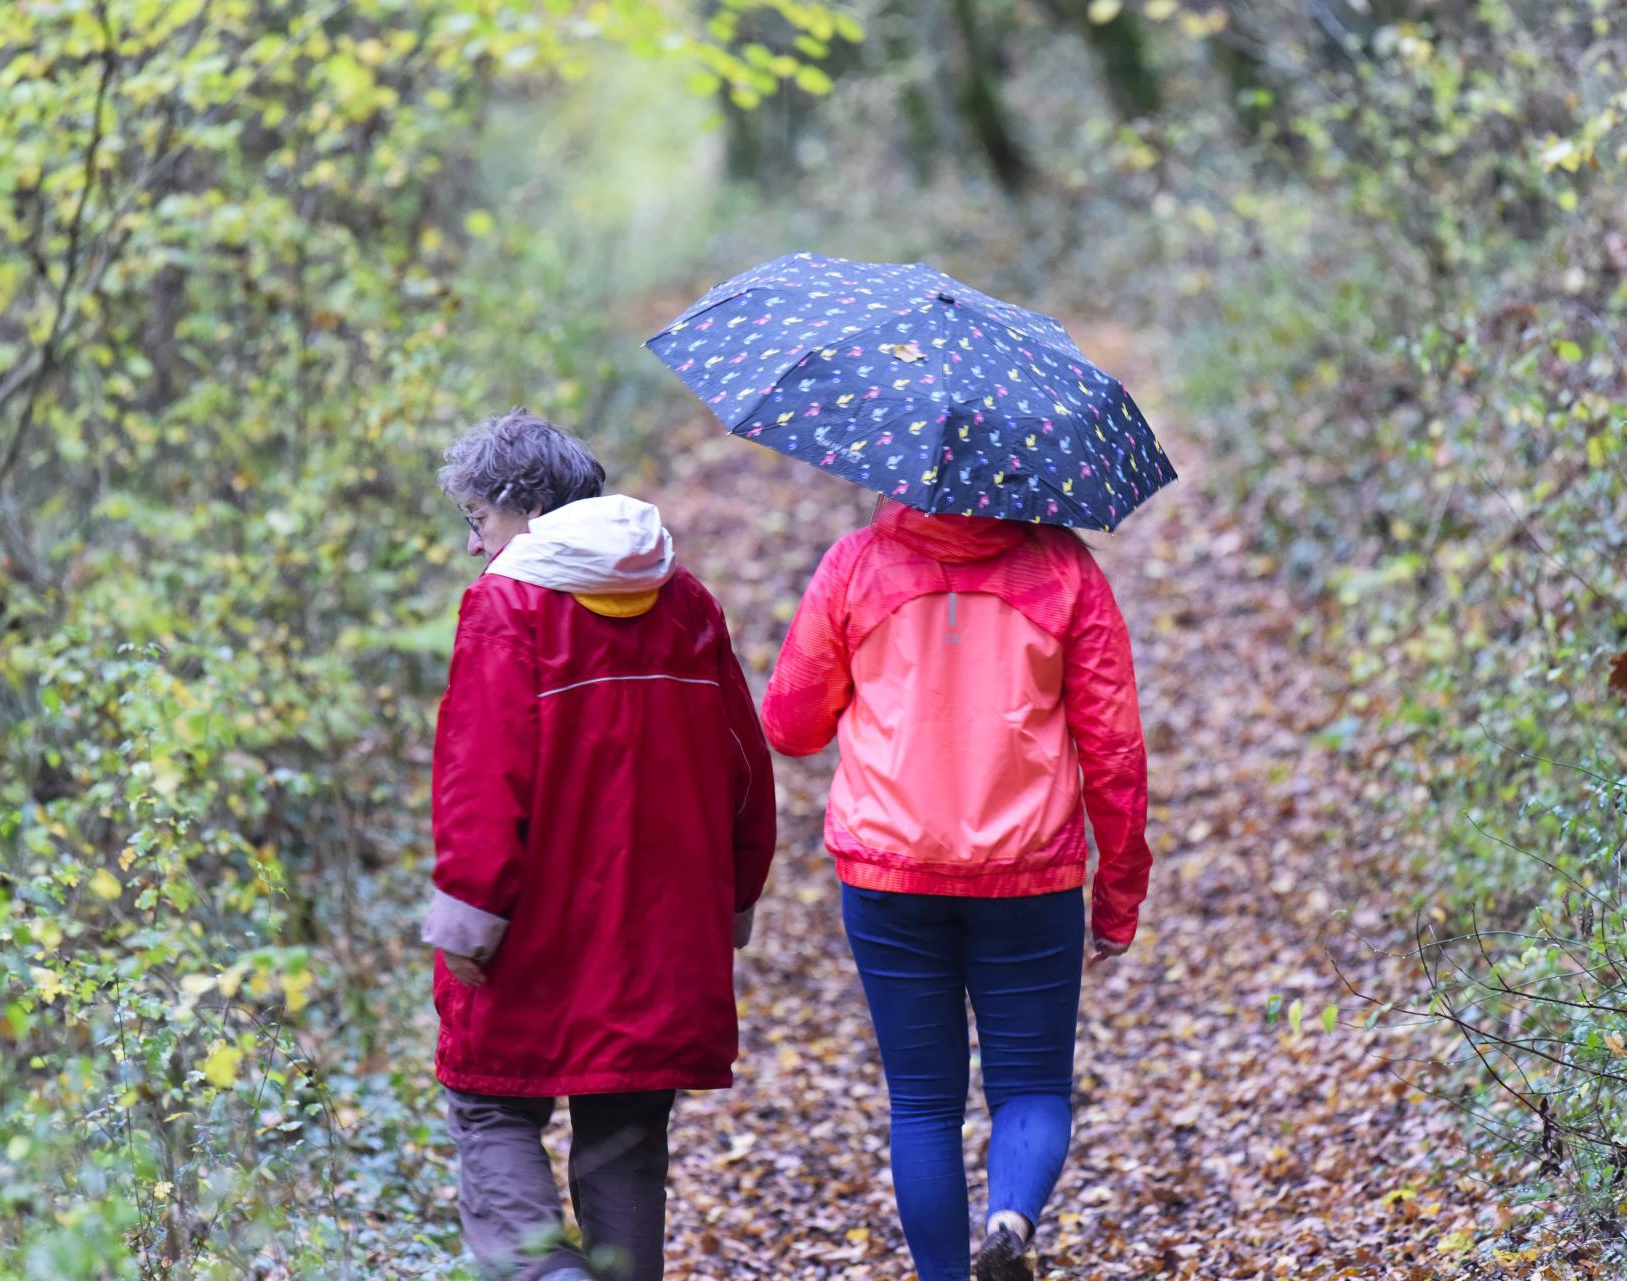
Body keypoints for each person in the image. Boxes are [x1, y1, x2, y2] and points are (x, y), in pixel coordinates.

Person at [422, 408, 777, 1281]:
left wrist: (468, 914)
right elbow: (744, 764)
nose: (475, 543)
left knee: (490, 1108)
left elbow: (482, 773)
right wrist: (736, 893)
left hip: (533, 930)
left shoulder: (505, 606)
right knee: (627, 1132)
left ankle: (546, 1273)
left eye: (480, 519)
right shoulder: (685, 601)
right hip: (663, 935)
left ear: (528, 509)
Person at [760, 496, 1152, 1281]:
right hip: (1028, 873)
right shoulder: (1064, 572)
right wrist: (1119, 891)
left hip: (889, 871)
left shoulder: (856, 566)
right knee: (1033, 1086)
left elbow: (790, 724)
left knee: (923, 1102)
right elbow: (1115, 747)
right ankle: (1010, 1220)